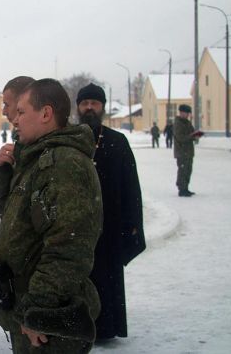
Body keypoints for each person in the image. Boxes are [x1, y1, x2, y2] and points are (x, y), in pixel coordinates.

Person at [0, 78, 103, 353]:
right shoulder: (39, 157)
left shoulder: (64, 165)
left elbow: (68, 248)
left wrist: (38, 312)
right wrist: (0, 174)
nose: (14, 119)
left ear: (46, 114)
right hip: (28, 305)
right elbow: (19, 221)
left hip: (48, 324)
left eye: (21, 112)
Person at [76, 83, 145, 341]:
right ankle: (79, 326)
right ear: (78, 107)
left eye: (94, 103)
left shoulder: (117, 141)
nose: (89, 107)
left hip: (111, 224)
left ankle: (107, 328)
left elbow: (131, 186)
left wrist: (133, 223)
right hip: (78, 225)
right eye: (85, 103)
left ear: (103, 106)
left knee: (108, 275)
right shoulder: (69, 138)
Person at [173, 104, 202, 197]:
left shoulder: (187, 122)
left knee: (188, 170)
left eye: (188, 113)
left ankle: (186, 188)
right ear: (181, 112)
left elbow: (191, 133)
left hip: (188, 151)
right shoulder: (178, 123)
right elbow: (180, 137)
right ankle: (182, 189)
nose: (188, 115)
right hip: (181, 152)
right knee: (183, 170)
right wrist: (191, 136)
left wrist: (196, 135)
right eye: (186, 113)